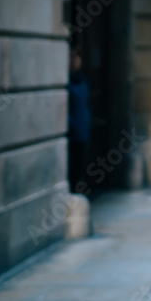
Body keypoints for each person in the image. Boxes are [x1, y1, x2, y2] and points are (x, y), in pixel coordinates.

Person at [66, 46, 91, 194]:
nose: (76, 61)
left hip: (83, 130)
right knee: (72, 167)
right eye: (73, 57)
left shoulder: (82, 79)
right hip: (72, 131)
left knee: (79, 166)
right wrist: (72, 124)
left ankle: (77, 195)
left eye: (78, 57)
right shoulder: (66, 81)